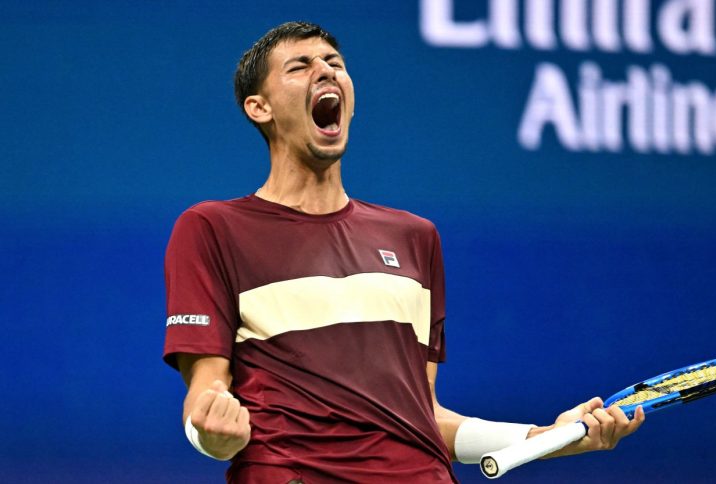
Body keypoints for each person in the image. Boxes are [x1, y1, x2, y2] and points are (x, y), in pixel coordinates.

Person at [163, 21, 644, 483]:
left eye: (334, 62)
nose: (326, 71)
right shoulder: (212, 228)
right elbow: (207, 394)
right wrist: (214, 435)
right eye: (300, 66)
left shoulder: (415, 237)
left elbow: (424, 415)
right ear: (259, 107)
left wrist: (546, 438)